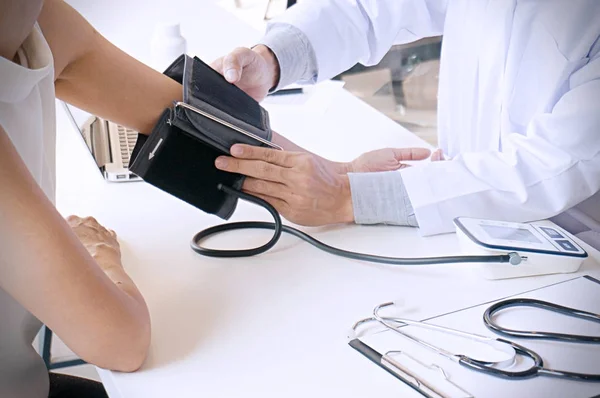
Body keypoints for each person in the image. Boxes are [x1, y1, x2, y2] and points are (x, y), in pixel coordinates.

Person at [0, 1, 411, 396]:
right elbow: (119, 342)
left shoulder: (36, 19)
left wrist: (336, 176)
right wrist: (98, 252)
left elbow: (184, 116)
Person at [211, 0, 600, 250]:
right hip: (450, 220)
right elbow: (367, 7)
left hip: (570, 252)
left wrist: (352, 195)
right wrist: (273, 60)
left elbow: (555, 163)